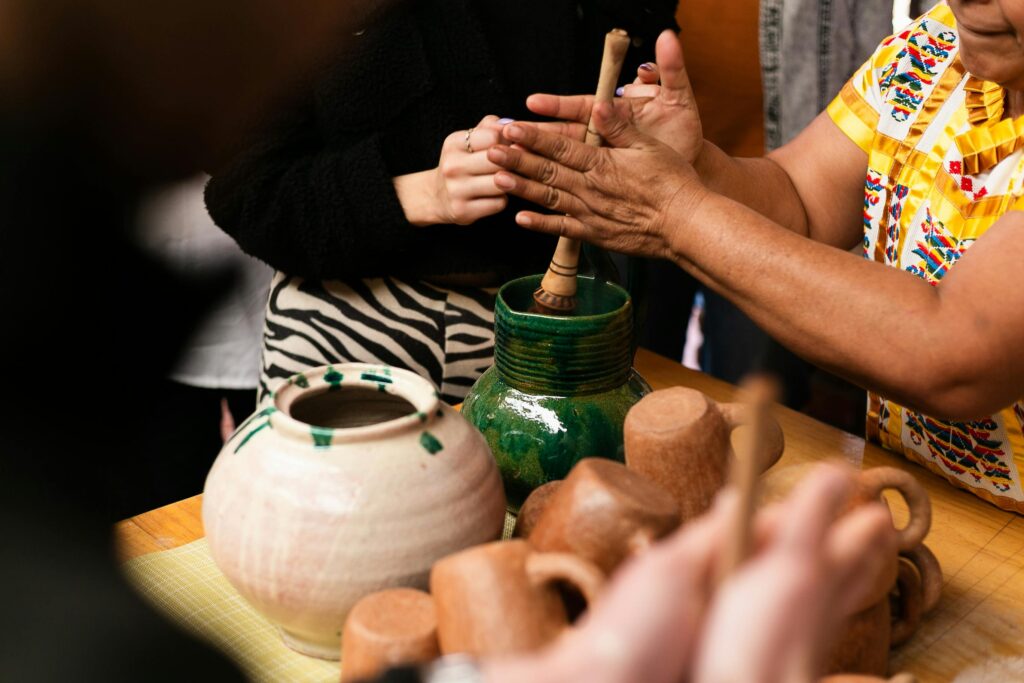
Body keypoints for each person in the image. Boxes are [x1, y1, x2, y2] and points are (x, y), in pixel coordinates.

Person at [486, 1, 1024, 514]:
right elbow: (802, 198)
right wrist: (694, 169)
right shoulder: (937, 44)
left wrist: (678, 213)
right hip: (921, 499)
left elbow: (953, 354)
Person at [204, 0, 678, 405]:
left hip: (545, 330)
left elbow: (635, 108)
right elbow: (247, 190)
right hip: (341, 323)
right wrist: (420, 193)